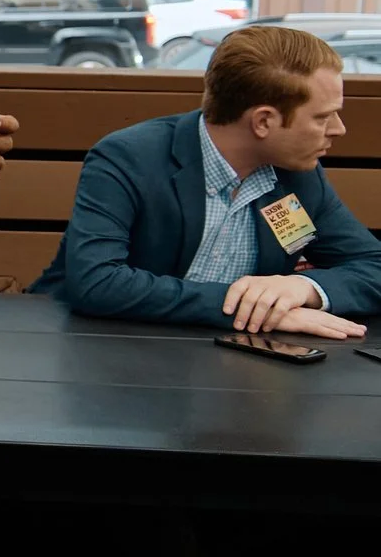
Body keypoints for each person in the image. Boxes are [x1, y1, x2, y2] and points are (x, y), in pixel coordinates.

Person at [34, 25, 379, 334]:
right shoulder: (129, 158)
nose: (339, 129)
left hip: (226, 361)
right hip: (94, 349)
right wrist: (248, 308)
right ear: (263, 122)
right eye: (322, 117)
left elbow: (373, 266)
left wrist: (301, 288)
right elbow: (97, 281)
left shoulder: (295, 176)